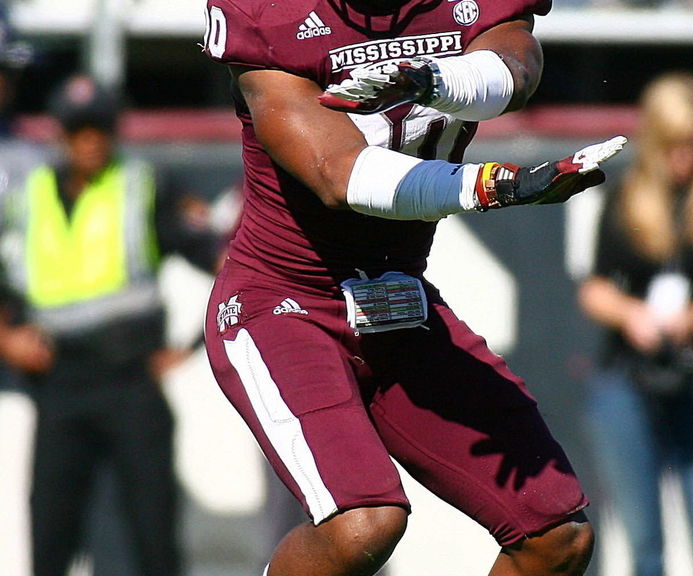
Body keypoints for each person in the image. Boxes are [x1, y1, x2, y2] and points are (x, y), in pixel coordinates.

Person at [201, 2, 625, 575]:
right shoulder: (272, 12)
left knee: (555, 538)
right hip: (284, 301)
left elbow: (516, 70)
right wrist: (492, 186)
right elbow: (339, 174)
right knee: (362, 524)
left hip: (399, 301)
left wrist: (436, 79)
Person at [0, 73, 223, 576]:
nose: (91, 141)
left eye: (100, 128)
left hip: (130, 378)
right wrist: (6, 337)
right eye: (79, 129)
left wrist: (192, 346)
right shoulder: (29, 195)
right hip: (57, 381)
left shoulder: (142, 184)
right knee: (50, 538)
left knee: (153, 536)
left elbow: (223, 261)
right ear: (60, 133)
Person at [578, 71, 693, 576]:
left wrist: (692, 318)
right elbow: (596, 288)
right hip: (626, 376)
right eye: (675, 144)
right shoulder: (627, 195)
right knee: (644, 546)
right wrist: (632, 315)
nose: (686, 157)